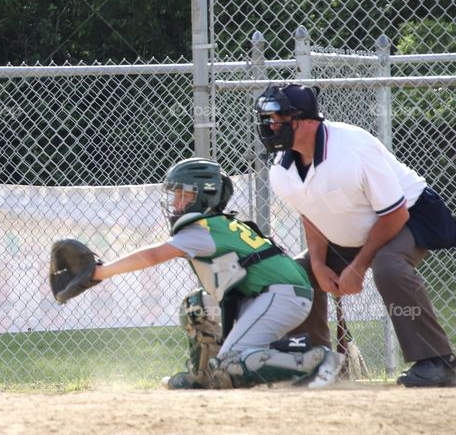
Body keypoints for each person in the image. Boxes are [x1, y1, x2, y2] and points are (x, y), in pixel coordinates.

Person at [53, 157, 343, 389]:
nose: (176, 202)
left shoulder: (202, 229)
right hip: (265, 295)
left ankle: (314, 359)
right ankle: (203, 376)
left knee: (231, 364)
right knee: (198, 307)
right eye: (175, 194)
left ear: (204, 196)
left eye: (183, 194)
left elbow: (153, 255)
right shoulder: (215, 225)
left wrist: (100, 272)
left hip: (281, 297)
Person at [255, 83, 456, 387]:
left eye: (279, 118)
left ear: (308, 121)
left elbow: (394, 214)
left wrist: (358, 267)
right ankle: (316, 363)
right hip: (353, 229)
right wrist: (320, 265)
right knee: (296, 272)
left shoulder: (353, 147)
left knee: (389, 266)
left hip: (408, 217)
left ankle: (437, 363)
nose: (271, 126)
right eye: (268, 119)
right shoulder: (281, 170)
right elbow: (312, 214)